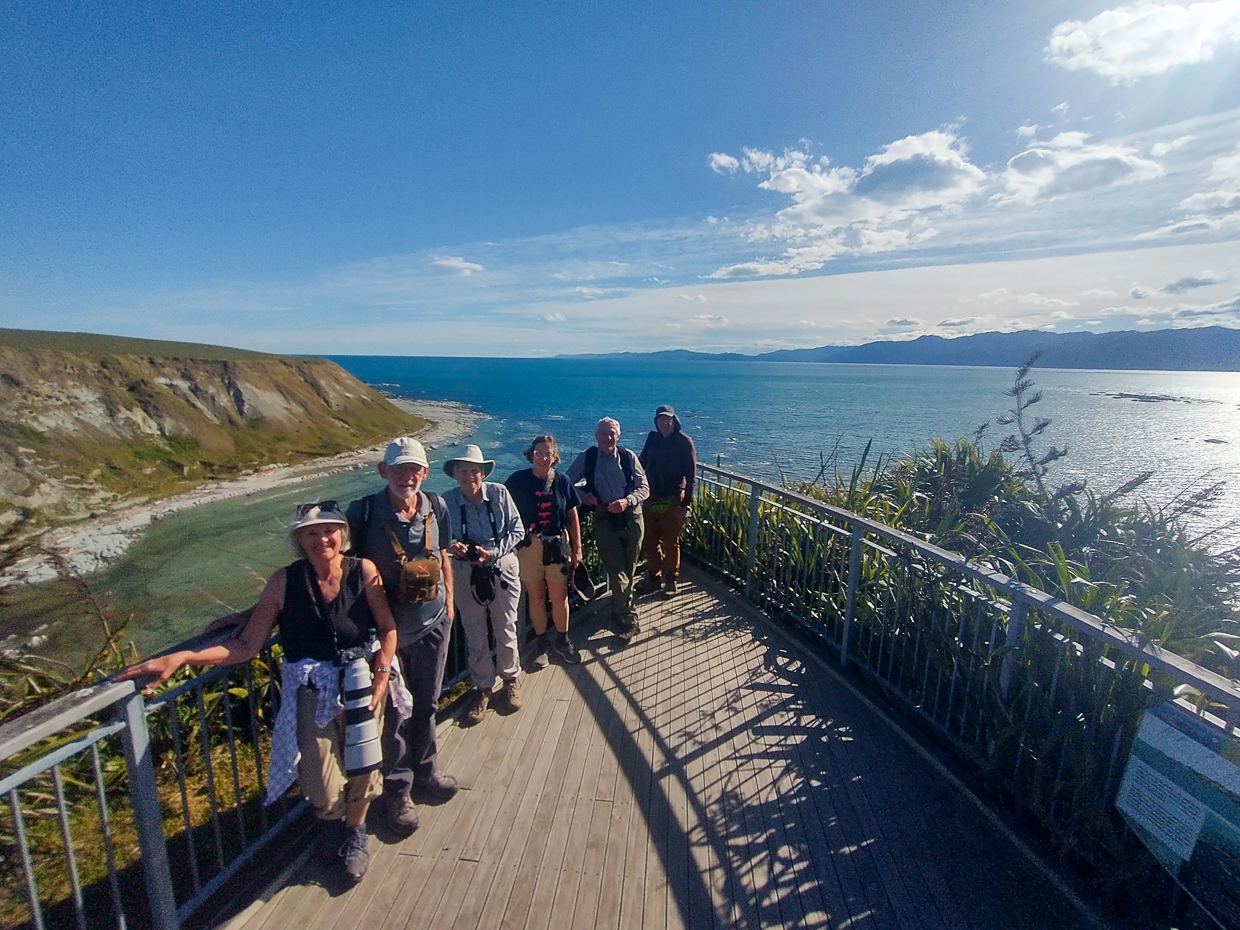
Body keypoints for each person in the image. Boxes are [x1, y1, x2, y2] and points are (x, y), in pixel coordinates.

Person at [114, 502, 401, 884]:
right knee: (319, 775)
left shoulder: (362, 570)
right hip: (311, 689)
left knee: (364, 765)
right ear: (300, 540)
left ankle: (353, 833)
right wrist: (185, 657)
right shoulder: (284, 582)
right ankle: (332, 822)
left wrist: (382, 673)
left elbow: (387, 627)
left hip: (361, 682)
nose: (322, 539)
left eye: (328, 530)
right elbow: (247, 646)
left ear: (341, 534)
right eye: (311, 533)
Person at [345, 437, 459, 838]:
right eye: (399, 468)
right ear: (383, 471)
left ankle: (426, 769)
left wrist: (450, 603)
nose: (407, 476)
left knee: (426, 702)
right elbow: (337, 567)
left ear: (425, 473)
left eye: (414, 469)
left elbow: (443, 553)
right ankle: (398, 791)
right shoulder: (363, 514)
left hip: (432, 625)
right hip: (386, 636)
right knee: (395, 716)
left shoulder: (436, 505)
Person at [442, 444, 526, 726]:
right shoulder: (446, 502)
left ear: (483, 473)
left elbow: (518, 529)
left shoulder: (500, 494)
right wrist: (454, 548)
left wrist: (493, 553)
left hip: (501, 568)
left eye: (474, 471)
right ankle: (482, 687)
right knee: (474, 630)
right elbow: (439, 538)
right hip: (465, 572)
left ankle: (511, 679)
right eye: (464, 471)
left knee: (506, 627)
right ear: (455, 474)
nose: (469, 476)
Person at [567, 418, 650, 644]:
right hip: (604, 519)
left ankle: (618, 607)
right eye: (604, 433)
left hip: (632, 518)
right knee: (617, 570)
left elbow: (645, 488)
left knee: (629, 569)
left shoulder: (627, 456)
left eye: (612, 433)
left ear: (618, 436)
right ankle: (629, 619)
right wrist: (583, 495)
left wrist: (627, 501)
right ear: (596, 436)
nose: (608, 437)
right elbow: (565, 483)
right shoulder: (588, 457)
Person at [505, 434, 584, 667]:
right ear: (531, 455)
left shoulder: (562, 481)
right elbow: (503, 509)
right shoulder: (516, 481)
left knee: (559, 598)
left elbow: (572, 514)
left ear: (554, 457)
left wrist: (577, 548)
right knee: (537, 597)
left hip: (557, 545)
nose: (542, 458)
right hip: (529, 548)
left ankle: (562, 641)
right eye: (538, 453)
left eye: (547, 454)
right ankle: (542, 644)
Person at [638, 405, 697, 597]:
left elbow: (691, 476)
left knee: (671, 542)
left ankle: (671, 580)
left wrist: (685, 505)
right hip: (651, 497)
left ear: (674, 421)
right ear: (656, 422)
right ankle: (653, 577)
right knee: (650, 539)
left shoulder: (684, 442)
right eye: (661, 419)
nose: (665, 423)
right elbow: (641, 463)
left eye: (668, 419)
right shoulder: (652, 438)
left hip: (673, 500)